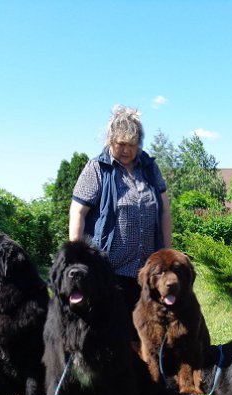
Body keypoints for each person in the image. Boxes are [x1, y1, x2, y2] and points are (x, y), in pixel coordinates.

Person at [69, 105, 172, 314]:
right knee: (112, 332)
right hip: (109, 271)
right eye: (121, 144)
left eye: (132, 145)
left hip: (147, 272)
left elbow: (165, 211)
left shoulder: (150, 168)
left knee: (145, 330)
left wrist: (166, 253)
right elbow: (77, 212)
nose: (126, 150)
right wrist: (76, 256)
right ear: (110, 141)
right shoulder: (97, 168)